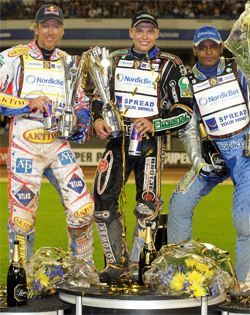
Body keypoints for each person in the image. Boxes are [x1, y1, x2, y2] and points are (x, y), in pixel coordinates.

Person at [91, 11, 193, 281]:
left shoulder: (171, 64)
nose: (144, 36)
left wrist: (155, 124)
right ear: (131, 32)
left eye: (150, 31)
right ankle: (115, 265)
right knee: (101, 202)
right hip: (117, 140)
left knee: (147, 206)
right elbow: (97, 96)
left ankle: (139, 265)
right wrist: (98, 118)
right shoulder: (114, 60)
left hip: (150, 143)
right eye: (140, 31)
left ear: (157, 34)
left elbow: (185, 109)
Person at [1, 4, 95, 267]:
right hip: (24, 141)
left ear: (62, 30)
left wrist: (82, 125)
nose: (50, 31)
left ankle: (82, 273)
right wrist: (28, 103)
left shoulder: (69, 62)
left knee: (83, 209)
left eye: (55, 26)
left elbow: (82, 103)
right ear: (36, 28)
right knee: (22, 217)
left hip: (57, 142)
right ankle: (20, 280)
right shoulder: (13, 56)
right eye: (45, 25)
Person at [167, 26, 250, 295]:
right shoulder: (188, 81)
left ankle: (244, 283)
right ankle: (178, 277)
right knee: (178, 203)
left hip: (245, 151)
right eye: (202, 47)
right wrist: (197, 162)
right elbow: (189, 128)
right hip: (212, 153)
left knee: (246, 220)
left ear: (221, 48)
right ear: (195, 50)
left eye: (213, 46)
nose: (208, 51)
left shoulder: (239, 71)